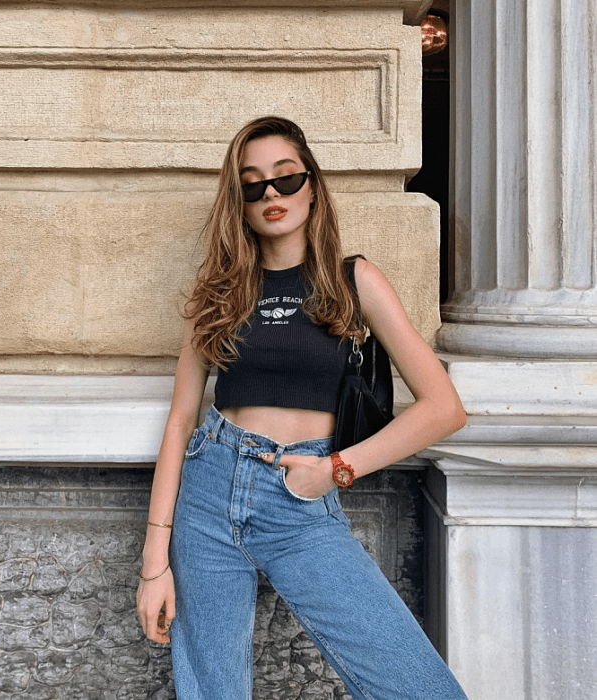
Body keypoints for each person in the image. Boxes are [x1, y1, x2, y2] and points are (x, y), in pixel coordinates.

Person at [137, 116, 469, 700]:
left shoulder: (354, 281)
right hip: (208, 491)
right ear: (237, 202)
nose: (270, 194)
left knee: (419, 687)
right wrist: (153, 563)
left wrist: (336, 470)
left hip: (300, 494)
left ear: (312, 185)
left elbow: (443, 408)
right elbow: (181, 421)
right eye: (252, 183)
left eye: (286, 178)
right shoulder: (216, 292)